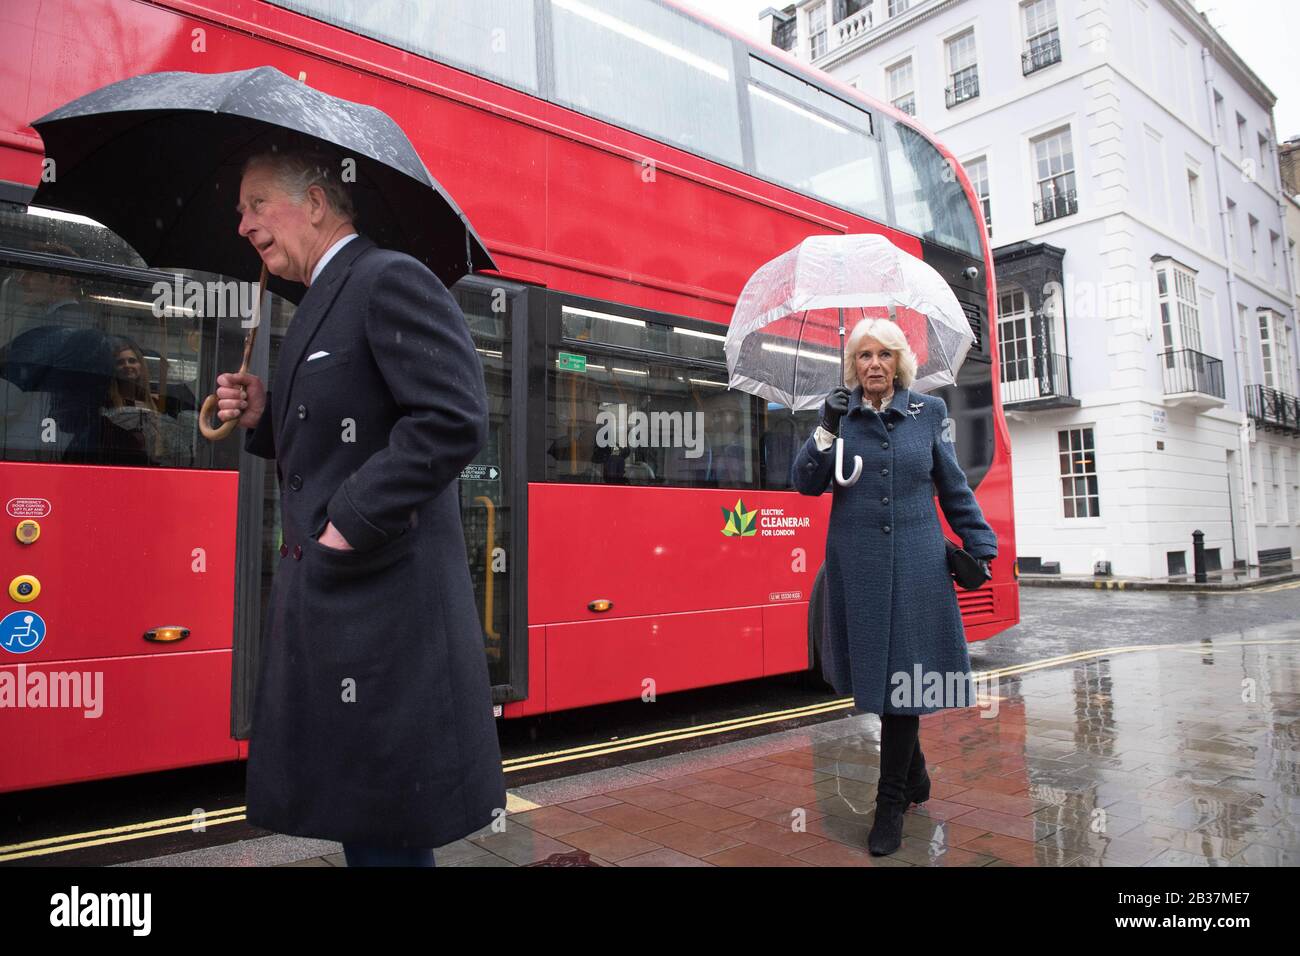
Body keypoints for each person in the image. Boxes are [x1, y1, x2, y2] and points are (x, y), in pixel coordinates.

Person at [213, 145, 505, 867]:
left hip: (380, 601)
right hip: (347, 603)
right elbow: (348, 423)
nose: (243, 222)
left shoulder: (386, 278)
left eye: (256, 205)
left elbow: (451, 417)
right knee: (366, 816)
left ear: (315, 203)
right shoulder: (325, 294)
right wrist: (266, 415)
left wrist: (346, 525)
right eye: (239, 210)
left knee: (385, 823)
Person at [792, 316, 997, 857]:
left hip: (916, 562)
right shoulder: (838, 417)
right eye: (864, 356)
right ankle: (918, 774)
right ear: (852, 366)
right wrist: (825, 429)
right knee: (884, 678)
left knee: (904, 676)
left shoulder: (928, 412)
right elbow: (804, 483)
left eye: (884, 355)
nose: (874, 365)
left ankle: (890, 803)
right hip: (856, 564)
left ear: (900, 362)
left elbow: (951, 486)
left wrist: (980, 545)